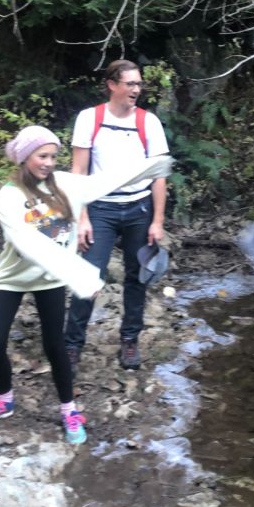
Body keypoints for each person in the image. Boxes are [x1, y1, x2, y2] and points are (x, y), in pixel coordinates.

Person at [0, 124, 172, 444]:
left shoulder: (65, 184)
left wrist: (153, 166)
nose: (49, 163)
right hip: (12, 279)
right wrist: (79, 276)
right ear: (24, 158)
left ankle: (69, 409)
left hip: (49, 281)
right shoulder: (7, 198)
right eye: (42, 156)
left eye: (53, 156)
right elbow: (28, 243)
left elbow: (105, 181)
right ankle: (4, 399)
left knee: (56, 346)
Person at [64, 59, 171, 370]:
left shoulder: (148, 122)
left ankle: (129, 341)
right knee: (88, 277)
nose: (136, 90)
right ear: (112, 85)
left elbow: (159, 175)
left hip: (139, 208)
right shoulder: (89, 119)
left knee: (137, 278)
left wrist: (158, 220)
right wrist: (81, 217)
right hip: (99, 209)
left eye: (139, 84)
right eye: (130, 84)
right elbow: (79, 171)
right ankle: (72, 345)